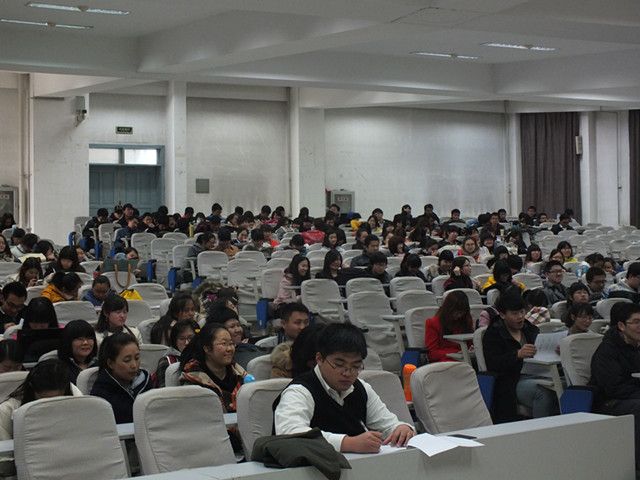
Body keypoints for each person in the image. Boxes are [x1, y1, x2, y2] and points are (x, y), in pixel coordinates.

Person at [274, 323, 415, 453]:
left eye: (355, 366)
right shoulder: (299, 391)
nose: (347, 373)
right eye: (339, 364)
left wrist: (402, 429)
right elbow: (290, 434)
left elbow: (388, 424)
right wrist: (347, 443)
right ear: (319, 359)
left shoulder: (361, 388)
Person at [482, 289, 558, 423]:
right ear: (502, 314)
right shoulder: (493, 334)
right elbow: (493, 363)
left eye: (522, 312)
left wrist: (554, 350)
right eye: (515, 313)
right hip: (511, 381)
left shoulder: (530, 329)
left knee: (561, 386)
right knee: (543, 393)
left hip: (538, 374)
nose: (520, 317)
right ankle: (542, 430)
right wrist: (517, 354)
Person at [589, 303, 640, 473]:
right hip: (608, 401)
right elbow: (614, 388)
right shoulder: (607, 351)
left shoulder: (636, 346)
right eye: (636, 322)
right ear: (621, 326)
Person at [179, 323, 247, 413]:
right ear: (207, 348)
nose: (230, 349)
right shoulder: (193, 380)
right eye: (224, 344)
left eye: (231, 343)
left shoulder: (239, 374)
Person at [91, 332, 152, 424]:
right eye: (127, 360)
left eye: (137, 358)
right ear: (110, 363)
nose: (134, 365)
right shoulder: (101, 392)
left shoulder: (145, 381)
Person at [424, 291, 473, 362]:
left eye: (461, 313)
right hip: (446, 361)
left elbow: (469, 344)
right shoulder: (432, 323)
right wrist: (456, 353)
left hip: (465, 358)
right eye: (456, 312)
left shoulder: (466, 320)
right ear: (448, 309)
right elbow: (432, 353)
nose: (459, 316)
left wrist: (471, 350)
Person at [154, 320, 198, 388]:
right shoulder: (166, 362)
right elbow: (163, 391)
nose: (187, 343)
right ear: (175, 341)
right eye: (182, 339)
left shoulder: (205, 357)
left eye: (191, 338)